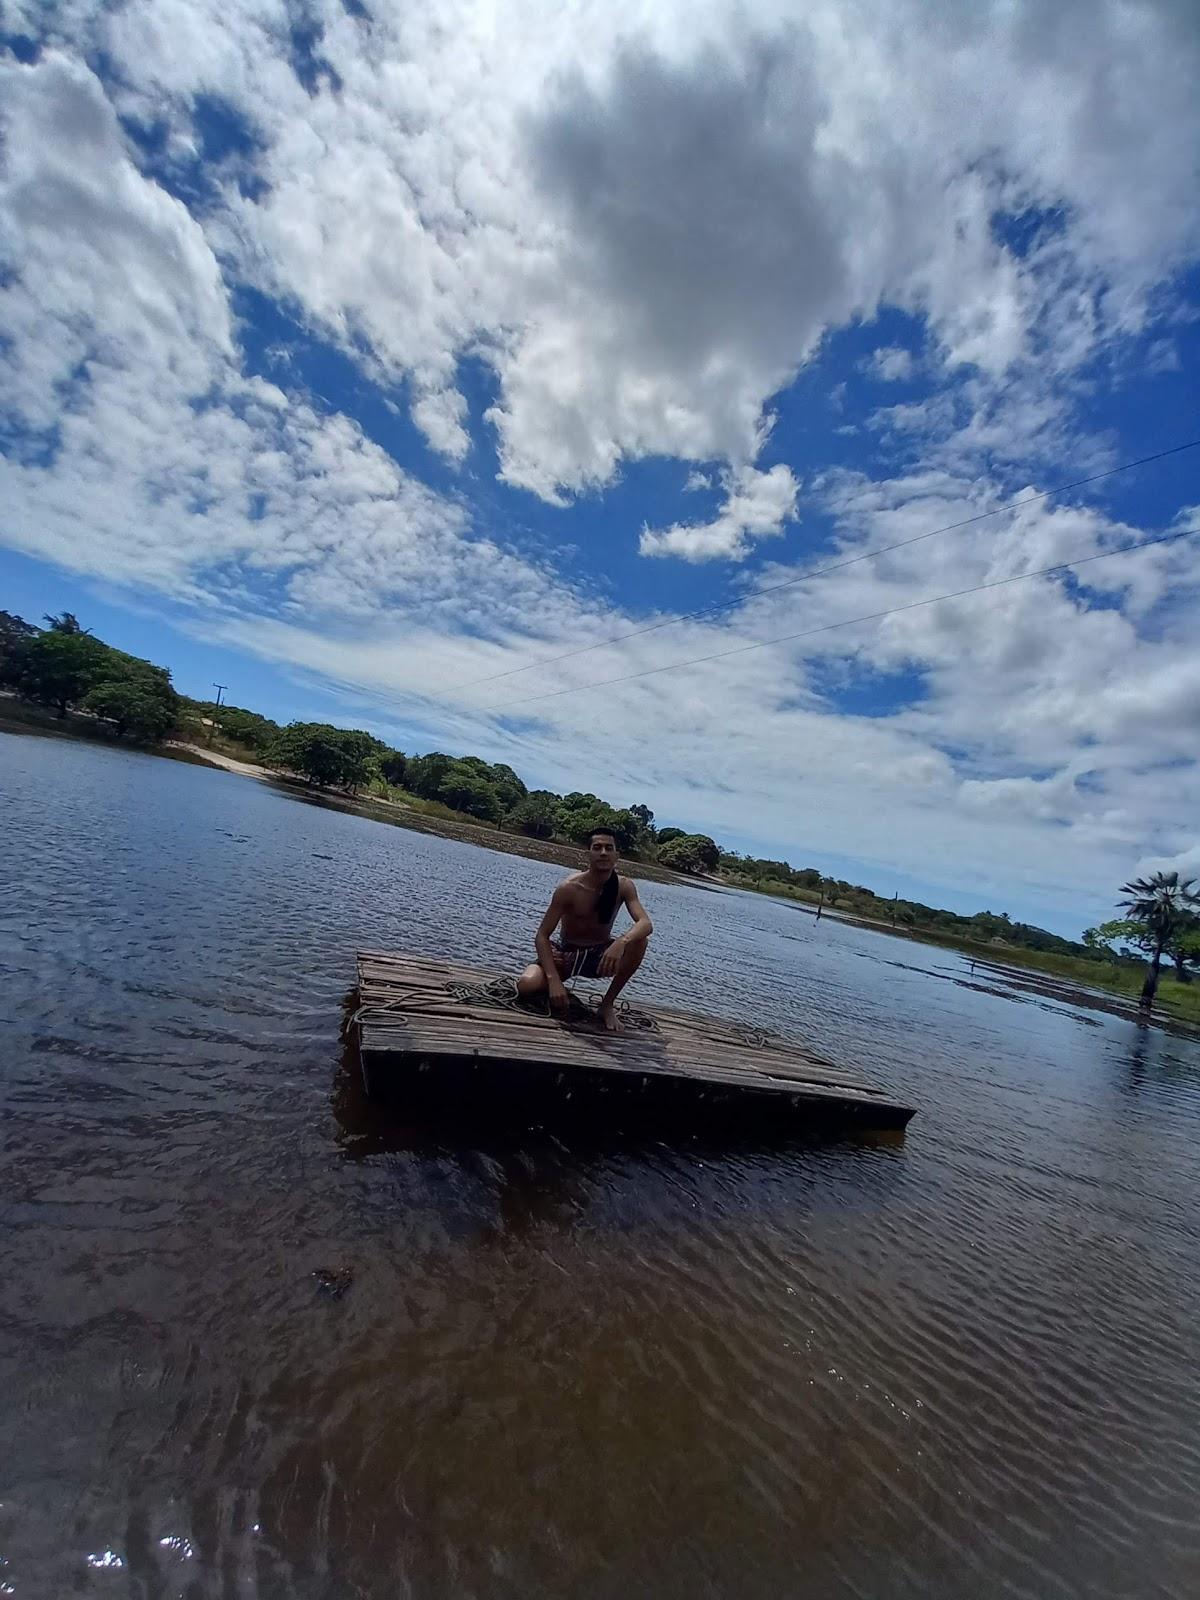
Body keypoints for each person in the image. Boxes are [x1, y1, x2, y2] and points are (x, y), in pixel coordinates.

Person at [516, 827, 653, 1030]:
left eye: (609, 848)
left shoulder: (624, 886)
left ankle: (606, 1005)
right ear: (587, 853)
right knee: (526, 984)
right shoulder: (569, 888)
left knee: (639, 940)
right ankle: (556, 989)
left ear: (617, 855)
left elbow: (645, 924)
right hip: (566, 953)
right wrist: (553, 980)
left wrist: (621, 942)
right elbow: (542, 936)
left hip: (600, 956)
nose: (603, 852)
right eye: (597, 848)